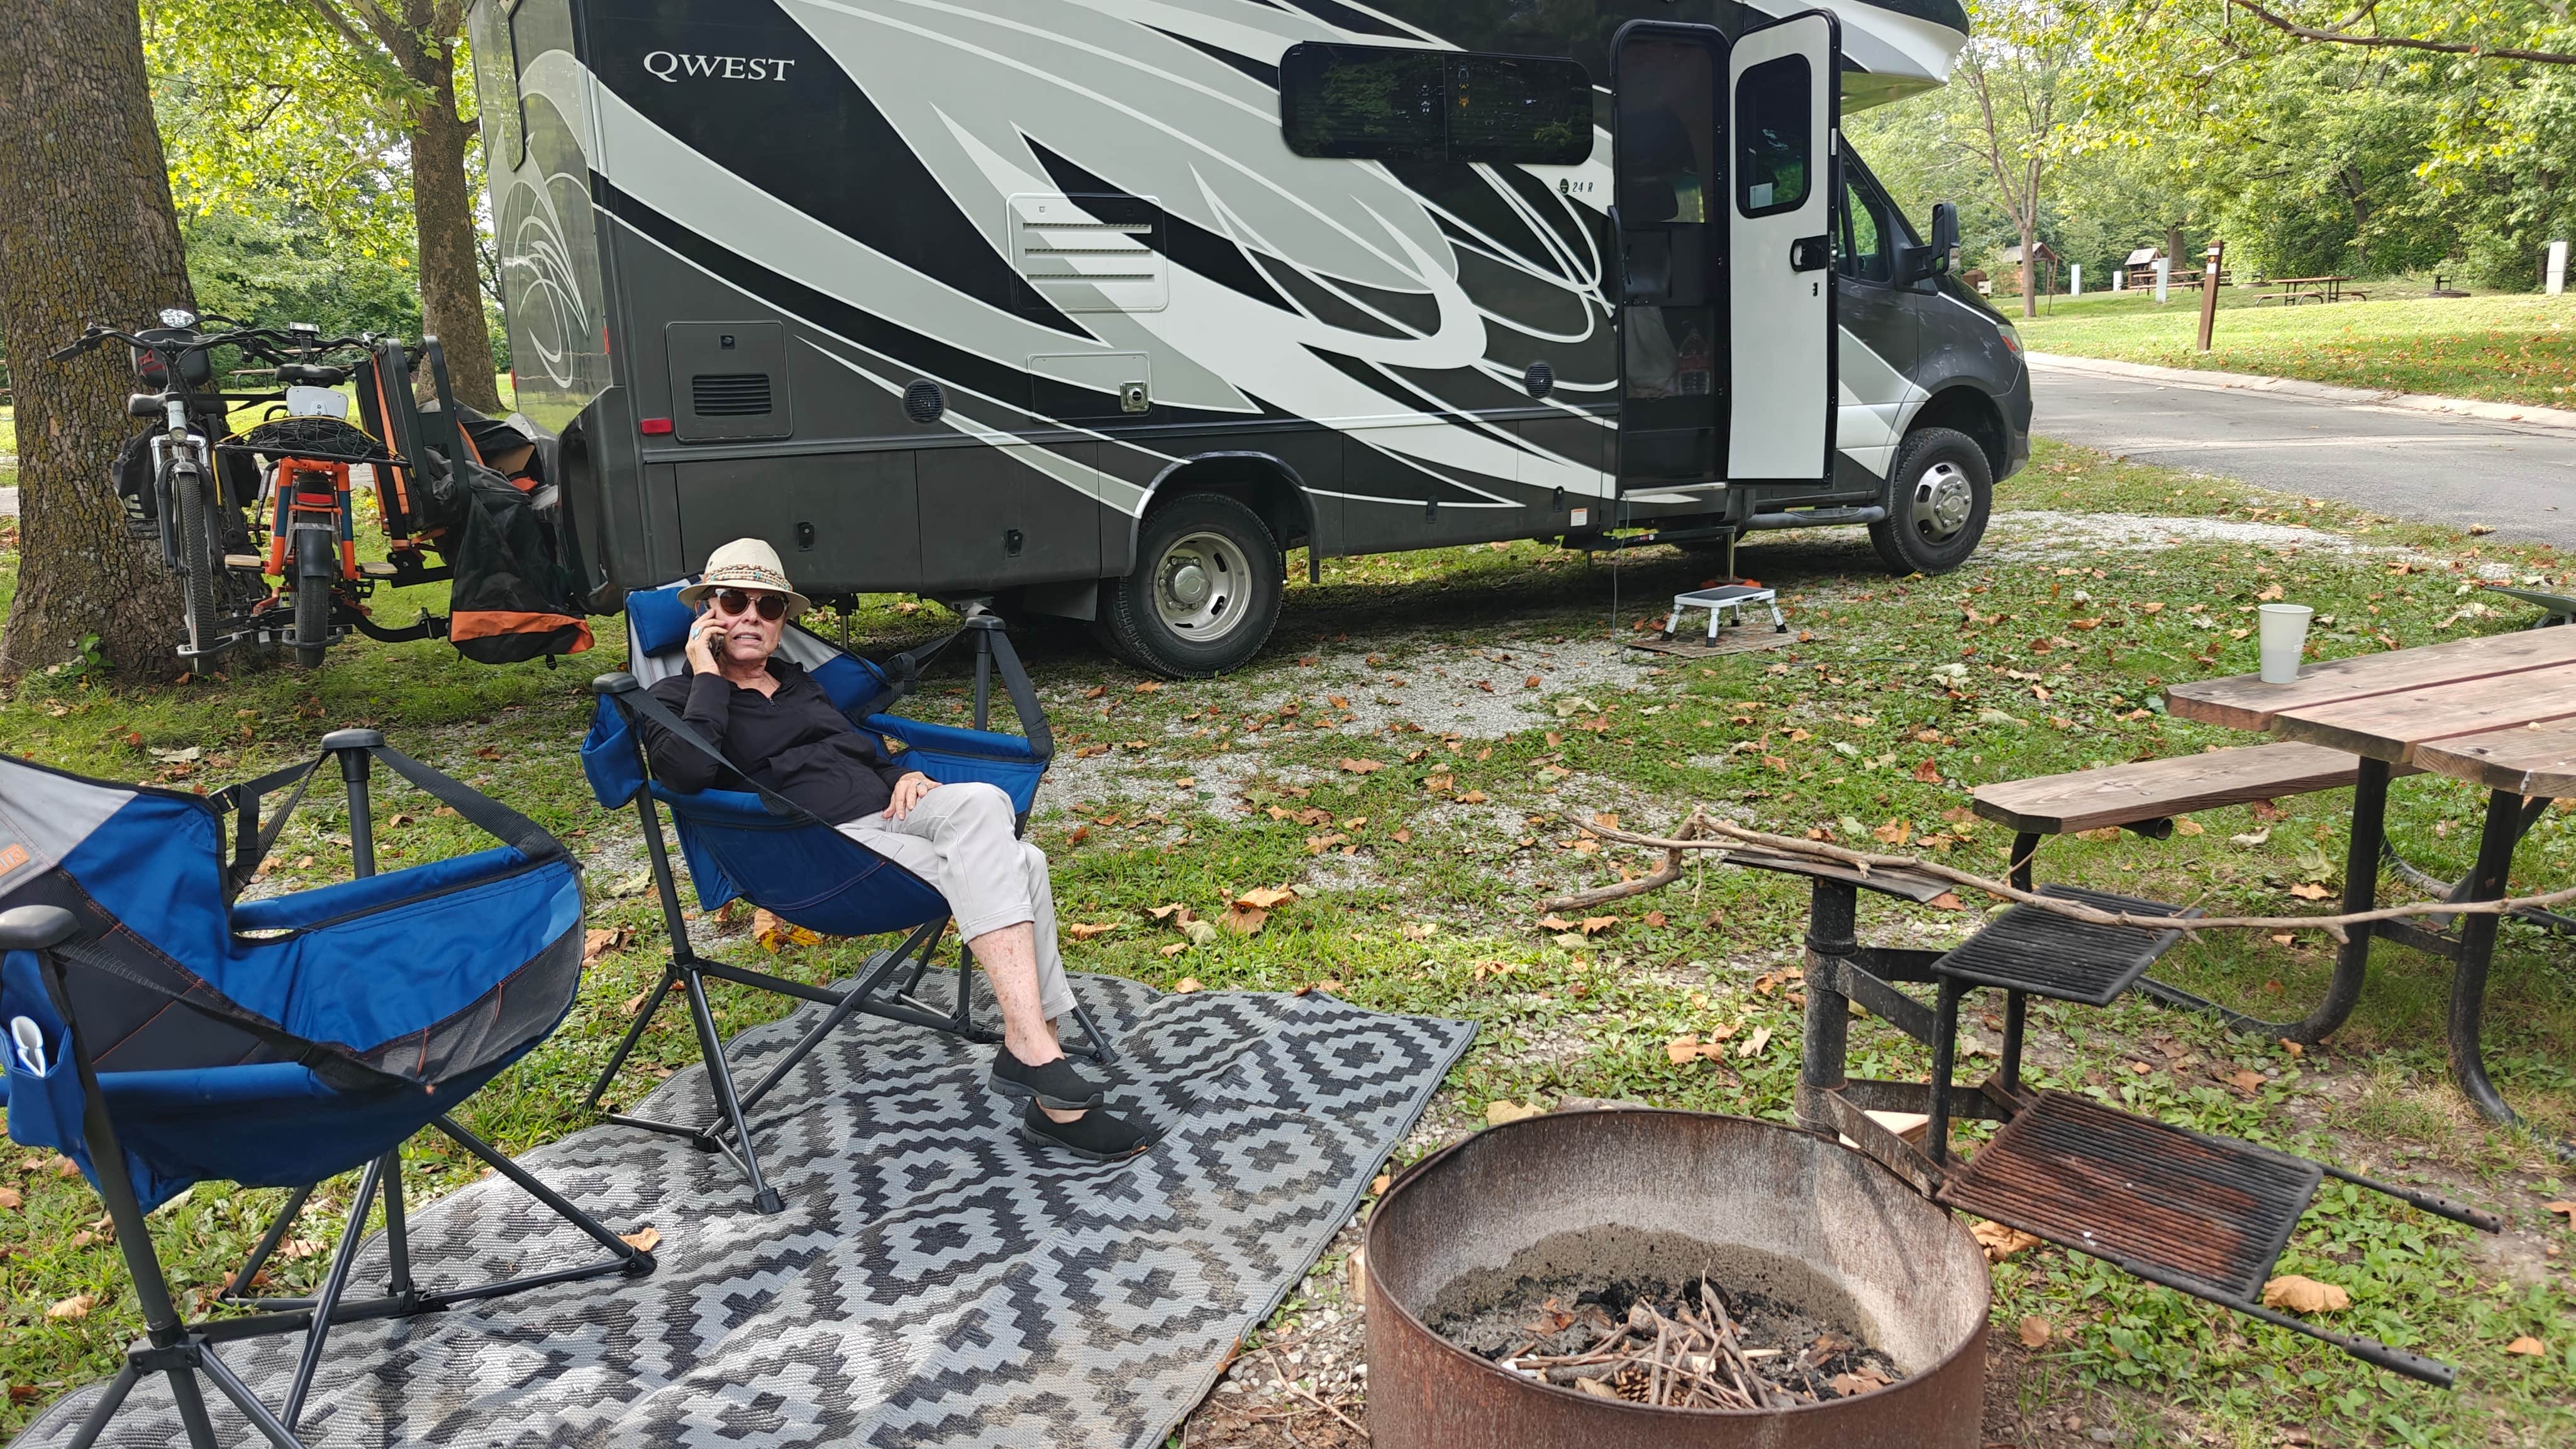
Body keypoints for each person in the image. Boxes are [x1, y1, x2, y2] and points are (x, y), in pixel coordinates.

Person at [637, 538, 1152, 1162]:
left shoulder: (800, 684)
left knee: (986, 801)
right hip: (823, 851)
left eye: (768, 607)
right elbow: (686, 773)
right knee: (1024, 863)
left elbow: (850, 750)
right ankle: (1045, 1077)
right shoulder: (673, 700)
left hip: (891, 814)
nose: (752, 616)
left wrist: (898, 774)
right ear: (706, 613)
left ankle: (1032, 1055)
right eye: (734, 602)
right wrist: (709, 675)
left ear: (783, 621)